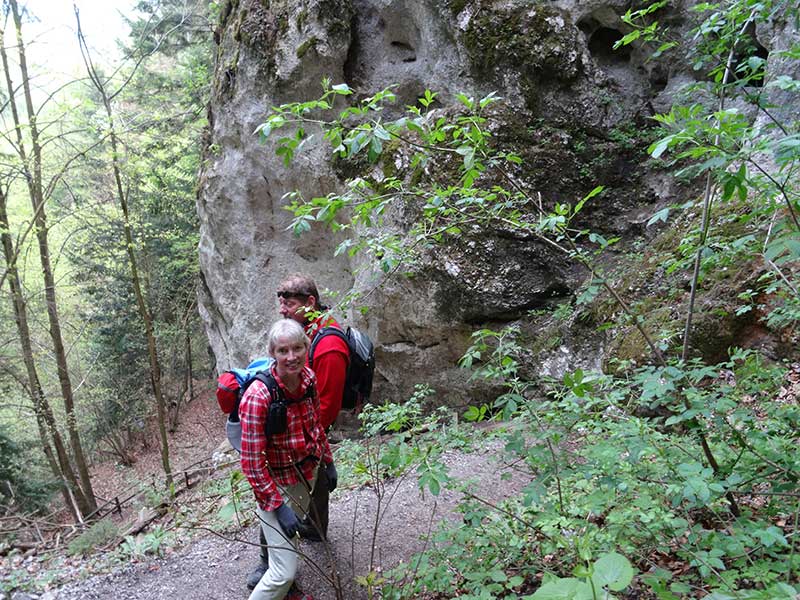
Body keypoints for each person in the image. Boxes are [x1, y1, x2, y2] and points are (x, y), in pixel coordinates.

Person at [247, 274, 349, 590]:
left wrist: (320, 453)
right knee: (282, 497)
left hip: (307, 445)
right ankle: (273, 562)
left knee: (311, 486)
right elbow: (253, 464)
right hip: (289, 450)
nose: (282, 309)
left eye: (289, 303)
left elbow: (326, 408)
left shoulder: (327, 344)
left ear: (310, 303)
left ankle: (312, 531)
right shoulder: (305, 339)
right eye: (281, 302)